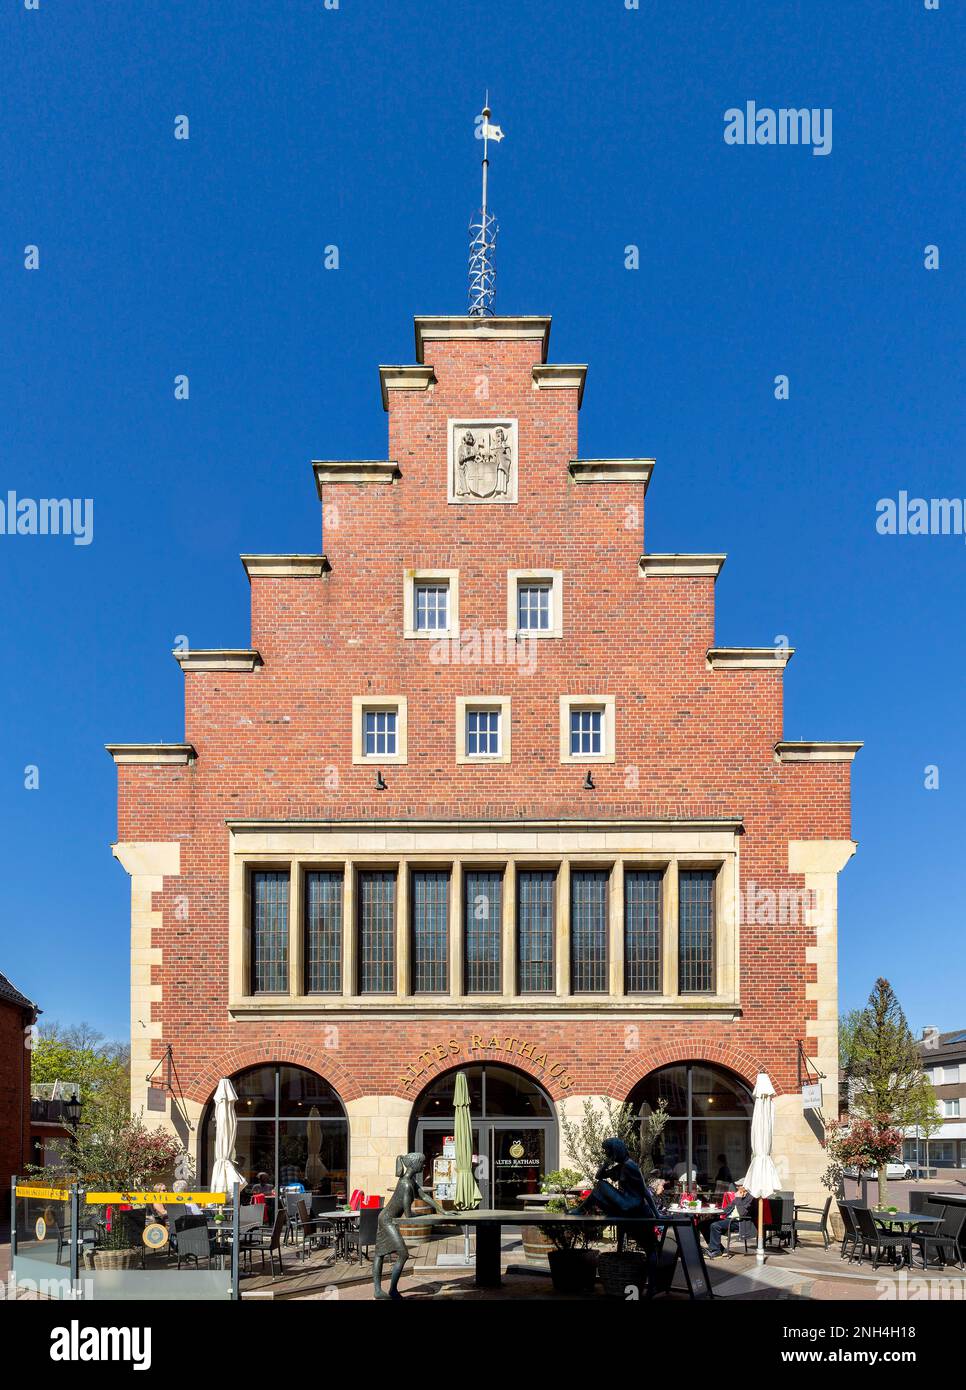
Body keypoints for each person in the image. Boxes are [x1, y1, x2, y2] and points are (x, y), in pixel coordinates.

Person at [705, 1182, 756, 1258]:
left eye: (740, 1186)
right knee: (704, 1224)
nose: (737, 1188)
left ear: (746, 1187)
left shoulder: (751, 1198)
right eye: (737, 1186)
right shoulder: (738, 1196)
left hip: (740, 1222)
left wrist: (738, 1197)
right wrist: (715, 1211)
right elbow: (728, 1208)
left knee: (715, 1225)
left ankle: (716, 1251)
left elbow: (742, 1213)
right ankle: (720, 1248)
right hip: (730, 1219)